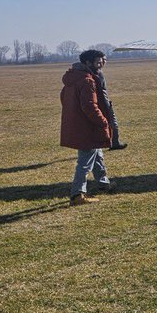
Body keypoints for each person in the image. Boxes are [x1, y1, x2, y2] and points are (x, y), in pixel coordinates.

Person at [61, 49, 114, 205]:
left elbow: (64, 99)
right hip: (87, 126)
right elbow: (89, 106)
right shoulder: (87, 80)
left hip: (77, 123)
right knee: (85, 162)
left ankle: (103, 184)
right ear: (87, 63)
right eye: (98, 62)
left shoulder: (73, 78)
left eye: (103, 61)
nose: (101, 64)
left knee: (97, 153)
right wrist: (103, 121)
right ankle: (77, 195)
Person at [95, 56, 127, 150]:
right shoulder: (98, 73)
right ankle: (114, 143)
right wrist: (106, 104)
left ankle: (112, 142)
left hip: (100, 102)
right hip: (103, 102)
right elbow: (101, 91)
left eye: (105, 60)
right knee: (112, 122)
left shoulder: (94, 72)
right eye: (101, 60)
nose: (104, 62)